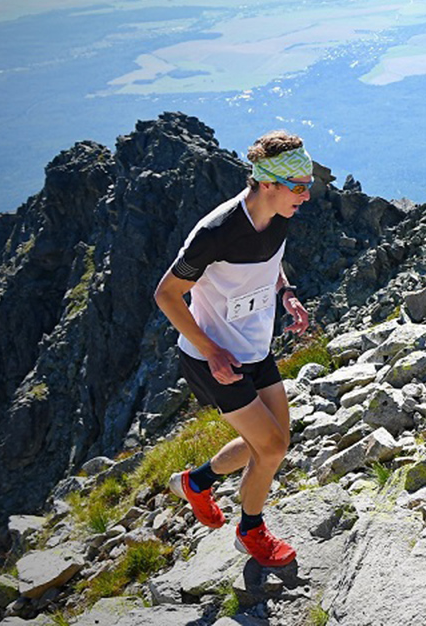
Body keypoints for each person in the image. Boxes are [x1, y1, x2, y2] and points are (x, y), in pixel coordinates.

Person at [153, 130, 312, 567]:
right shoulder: (216, 232)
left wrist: (287, 293)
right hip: (215, 359)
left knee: (273, 439)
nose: (306, 196)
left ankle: (196, 482)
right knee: (271, 448)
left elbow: (269, 264)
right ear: (268, 183)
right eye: (299, 187)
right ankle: (251, 531)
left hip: (255, 348)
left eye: (309, 185)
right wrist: (211, 350)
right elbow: (166, 294)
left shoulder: (280, 215)